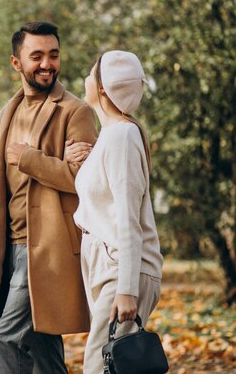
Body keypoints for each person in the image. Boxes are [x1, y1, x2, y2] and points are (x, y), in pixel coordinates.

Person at [0, 21, 98, 374]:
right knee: (43, 348)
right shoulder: (6, 114)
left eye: (53, 55)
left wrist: (29, 158)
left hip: (46, 248)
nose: (47, 64)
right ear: (16, 63)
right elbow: (1, 189)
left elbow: (86, 182)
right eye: (36, 56)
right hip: (10, 245)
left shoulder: (75, 112)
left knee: (8, 339)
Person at [67, 50, 164, 374]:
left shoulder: (122, 135)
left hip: (121, 268)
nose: (85, 79)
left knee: (97, 366)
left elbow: (127, 218)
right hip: (107, 265)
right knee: (113, 367)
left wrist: (126, 290)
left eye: (91, 73)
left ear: (104, 88)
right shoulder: (111, 135)